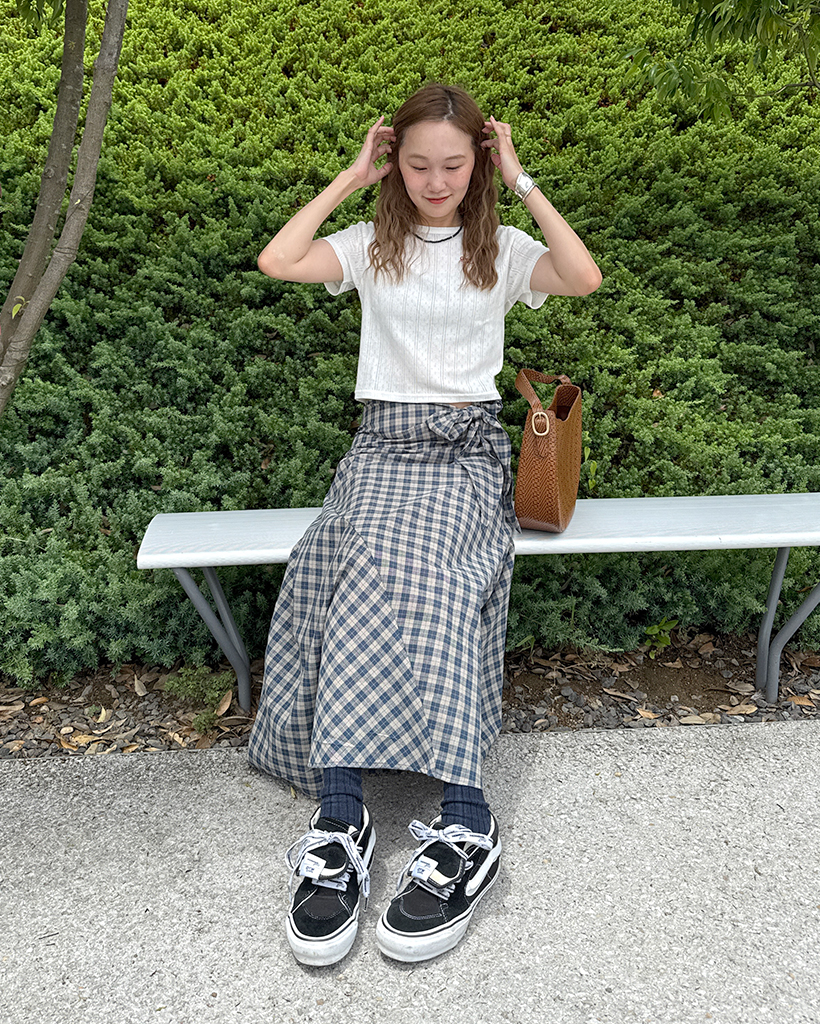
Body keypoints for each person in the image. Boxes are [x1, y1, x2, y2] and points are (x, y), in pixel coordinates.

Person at [249, 83, 601, 966]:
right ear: (394, 164)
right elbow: (278, 260)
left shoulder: (502, 249)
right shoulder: (370, 245)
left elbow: (583, 276)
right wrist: (348, 178)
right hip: (381, 449)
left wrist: (519, 177)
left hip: (467, 453)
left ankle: (466, 823)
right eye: (416, 165)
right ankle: (342, 820)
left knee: (443, 579)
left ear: (476, 162)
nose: (436, 182)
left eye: (453, 164)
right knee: (352, 566)